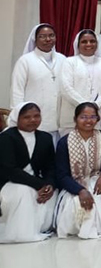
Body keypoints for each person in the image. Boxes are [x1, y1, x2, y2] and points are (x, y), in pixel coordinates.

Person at [53, 103, 101, 239]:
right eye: (83, 117)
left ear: (98, 119)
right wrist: (80, 190)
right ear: (75, 119)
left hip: (98, 179)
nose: (88, 121)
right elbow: (61, 175)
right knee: (77, 212)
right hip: (74, 184)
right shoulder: (64, 142)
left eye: (92, 117)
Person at [0, 102, 57, 243]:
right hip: (8, 183)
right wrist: (39, 185)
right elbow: (10, 170)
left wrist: (49, 184)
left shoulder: (45, 138)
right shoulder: (6, 137)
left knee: (53, 193)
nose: (33, 120)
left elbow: (51, 167)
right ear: (17, 119)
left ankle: (39, 228)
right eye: (27, 117)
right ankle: (21, 233)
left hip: (37, 183)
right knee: (23, 191)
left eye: (36, 116)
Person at [12, 24, 67, 138]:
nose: (48, 39)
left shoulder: (63, 59)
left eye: (51, 35)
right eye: (42, 36)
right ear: (35, 39)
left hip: (59, 123)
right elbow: (17, 91)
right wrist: (20, 117)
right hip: (34, 123)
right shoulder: (25, 61)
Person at [58, 30, 101, 135]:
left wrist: (96, 105)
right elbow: (66, 88)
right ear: (78, 44)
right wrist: (86, 107)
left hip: (99, 118)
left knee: (97, 150)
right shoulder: (69, 62)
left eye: (92, 41)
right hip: (72, 119)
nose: (88, 44)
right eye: (84, 42)